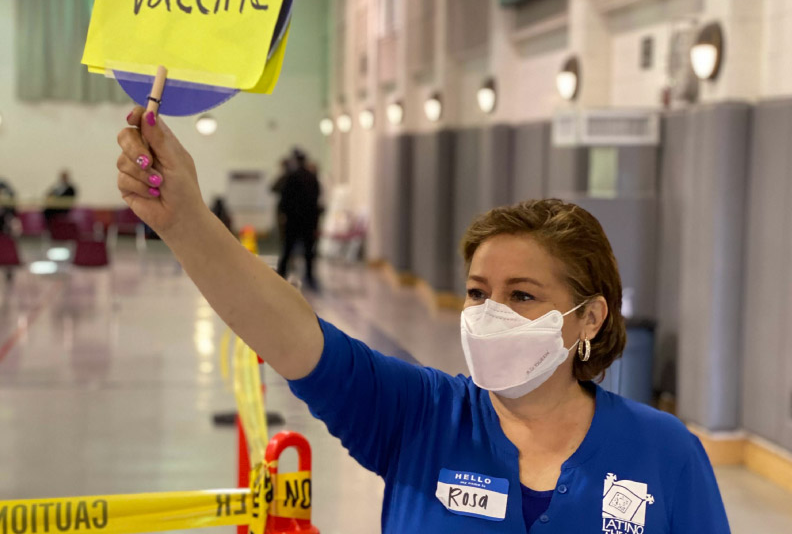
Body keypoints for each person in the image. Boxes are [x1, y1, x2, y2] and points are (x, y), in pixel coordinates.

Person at [114, 107, 730, 533]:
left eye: (521, 297)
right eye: (477, 293)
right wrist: (185, 221)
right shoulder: (419, 417)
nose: (491, 316)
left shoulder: (665, 454)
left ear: (589, 317)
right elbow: (294, 337)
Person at [275, 148, 321, 290]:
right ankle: (309, 275)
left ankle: (281, 273)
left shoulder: (292, 176)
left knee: (288, 247)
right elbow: (316, 198)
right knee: (308, 249)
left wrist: (284, 214)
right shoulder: (311, 177)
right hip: (307, 219)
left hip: (294, 219)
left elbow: (284, 197)